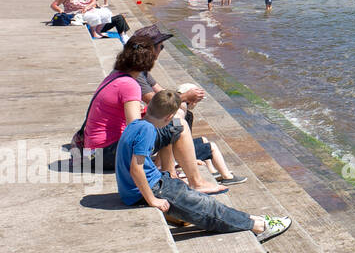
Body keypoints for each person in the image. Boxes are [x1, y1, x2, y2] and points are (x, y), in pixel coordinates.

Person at [116, 90, 290, 242]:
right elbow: (135, 168)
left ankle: (252, 218)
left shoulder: (137, 124)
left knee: (200, 200)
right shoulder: (148, 131)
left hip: (152, 183)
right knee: (206, 209)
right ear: (169, 117)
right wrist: (152, 199)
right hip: (151, 189)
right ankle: (258, 226)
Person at [80, 39, 224, 194]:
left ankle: (170, 171)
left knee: (167, 124)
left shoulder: (116, 77)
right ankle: (195, 182)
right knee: (176, 126)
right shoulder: (130, 85)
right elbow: (134, 128)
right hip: (102, 155)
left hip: (94, 153)